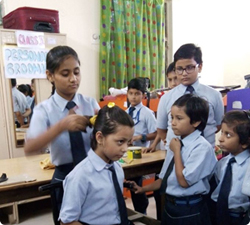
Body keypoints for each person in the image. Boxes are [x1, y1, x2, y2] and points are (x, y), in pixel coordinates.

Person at [24, 45, 100, 225]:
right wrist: (60, 126)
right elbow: (30, 148)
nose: (73, 79)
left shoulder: (89, 103)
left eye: (76, 72)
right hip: (64, 177)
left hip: (93, 175)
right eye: (65, 74)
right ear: (50, 75)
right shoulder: (44, 110)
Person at [127, 94, 217, 225]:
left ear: (196, 122)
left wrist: (177, 152)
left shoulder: (201, 147)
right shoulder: (176, 142)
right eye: (172, 117)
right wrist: (142, 189)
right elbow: (164, 179)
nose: (173, 123)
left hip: (189, 209)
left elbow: (184, 181)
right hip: (170, 206)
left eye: (179, 118)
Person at [59, 104, 135, 225]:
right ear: (100, 138)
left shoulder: (116, 168)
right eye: (120, 141)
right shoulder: (80, 176)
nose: (125, 148)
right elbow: (67, 221)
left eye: (128, 142)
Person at [157, 43, 224, 150]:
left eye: (189, 68)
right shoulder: (166, 98)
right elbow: (161, 130)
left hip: (205, 155)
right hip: (175, 154)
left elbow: (218, 126)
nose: (184, 73)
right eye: (179, 69)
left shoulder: (214, 95)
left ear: (200, 66)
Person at [210, 110, 250, 225]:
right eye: (222, 132)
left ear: (245, 142)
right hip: (217, 212)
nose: (221, 138)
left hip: (238, 217)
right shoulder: (222, 163)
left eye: (228, 135)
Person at [126, 77, 157, 214]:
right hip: (127, 153)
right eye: (131, 93)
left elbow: (156, 133)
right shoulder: (125, 113)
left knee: (136, 182)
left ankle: (141, 211)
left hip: (142, 154)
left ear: (143, 95)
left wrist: (140, 137)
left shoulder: (147, 113)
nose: (133, 97)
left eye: (137, 94)